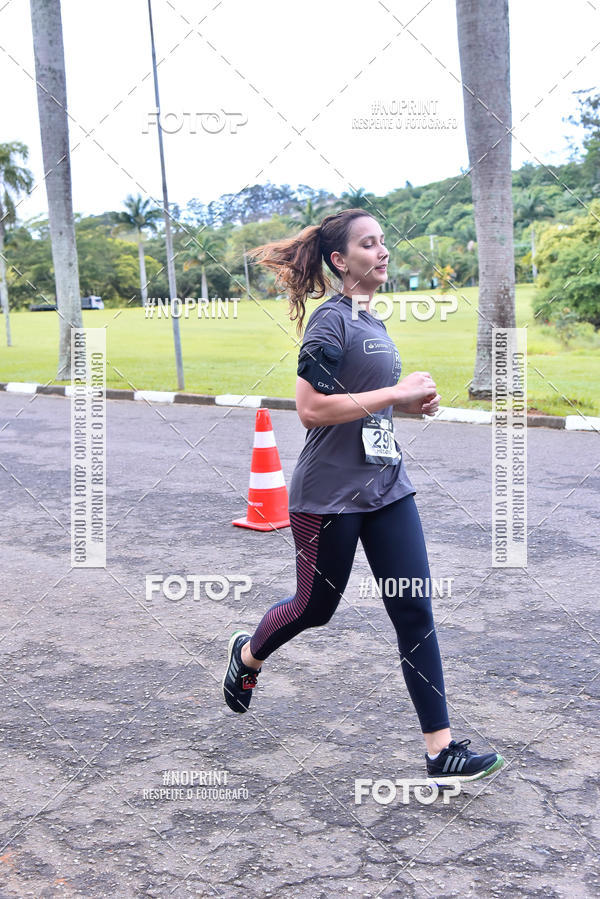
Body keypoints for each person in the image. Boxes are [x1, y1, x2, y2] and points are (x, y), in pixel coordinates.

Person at [223, 209, 504, 785]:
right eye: (368, 245)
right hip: (330, 496)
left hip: (386, 487)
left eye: (383, 243)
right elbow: (311, 409)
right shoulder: (330, 322)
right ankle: (248, 655)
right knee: (315, 608)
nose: (382, 253)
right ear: (339, 260)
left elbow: (363, 397)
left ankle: (440, 749)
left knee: (413, 608)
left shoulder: (371, 321)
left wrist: (406, 403)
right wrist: (394, 393)